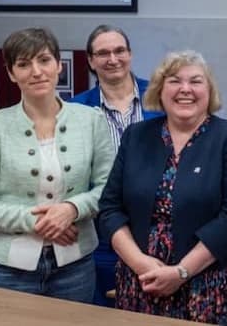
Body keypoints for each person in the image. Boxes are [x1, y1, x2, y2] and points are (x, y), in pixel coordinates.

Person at [0, 27, 114, 302]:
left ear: (58, 66)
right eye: (23, 64)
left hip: (75, 268)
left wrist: (71, 209)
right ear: (10, 73)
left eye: (44, 60)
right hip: (7, 270)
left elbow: (110, 189)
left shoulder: (92, 120)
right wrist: (39, 221)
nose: (36, 71)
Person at [98, 50, 227, 324]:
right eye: (174, 81)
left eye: (195, 81)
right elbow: (110, 209)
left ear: (209, 91)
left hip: (208, 286)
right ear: (159, 90)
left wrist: (181, 272)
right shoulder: (136, 136)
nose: (185, 89)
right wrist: (140, 263)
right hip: (141, 280)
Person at [71, 24, 162, 306]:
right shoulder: (74, 110)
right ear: (90, 60)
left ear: (130, 54)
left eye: (119, 50)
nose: (113, 59)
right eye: (103, 53)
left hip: (158, 228)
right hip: (101, 234)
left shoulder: (161, 98)